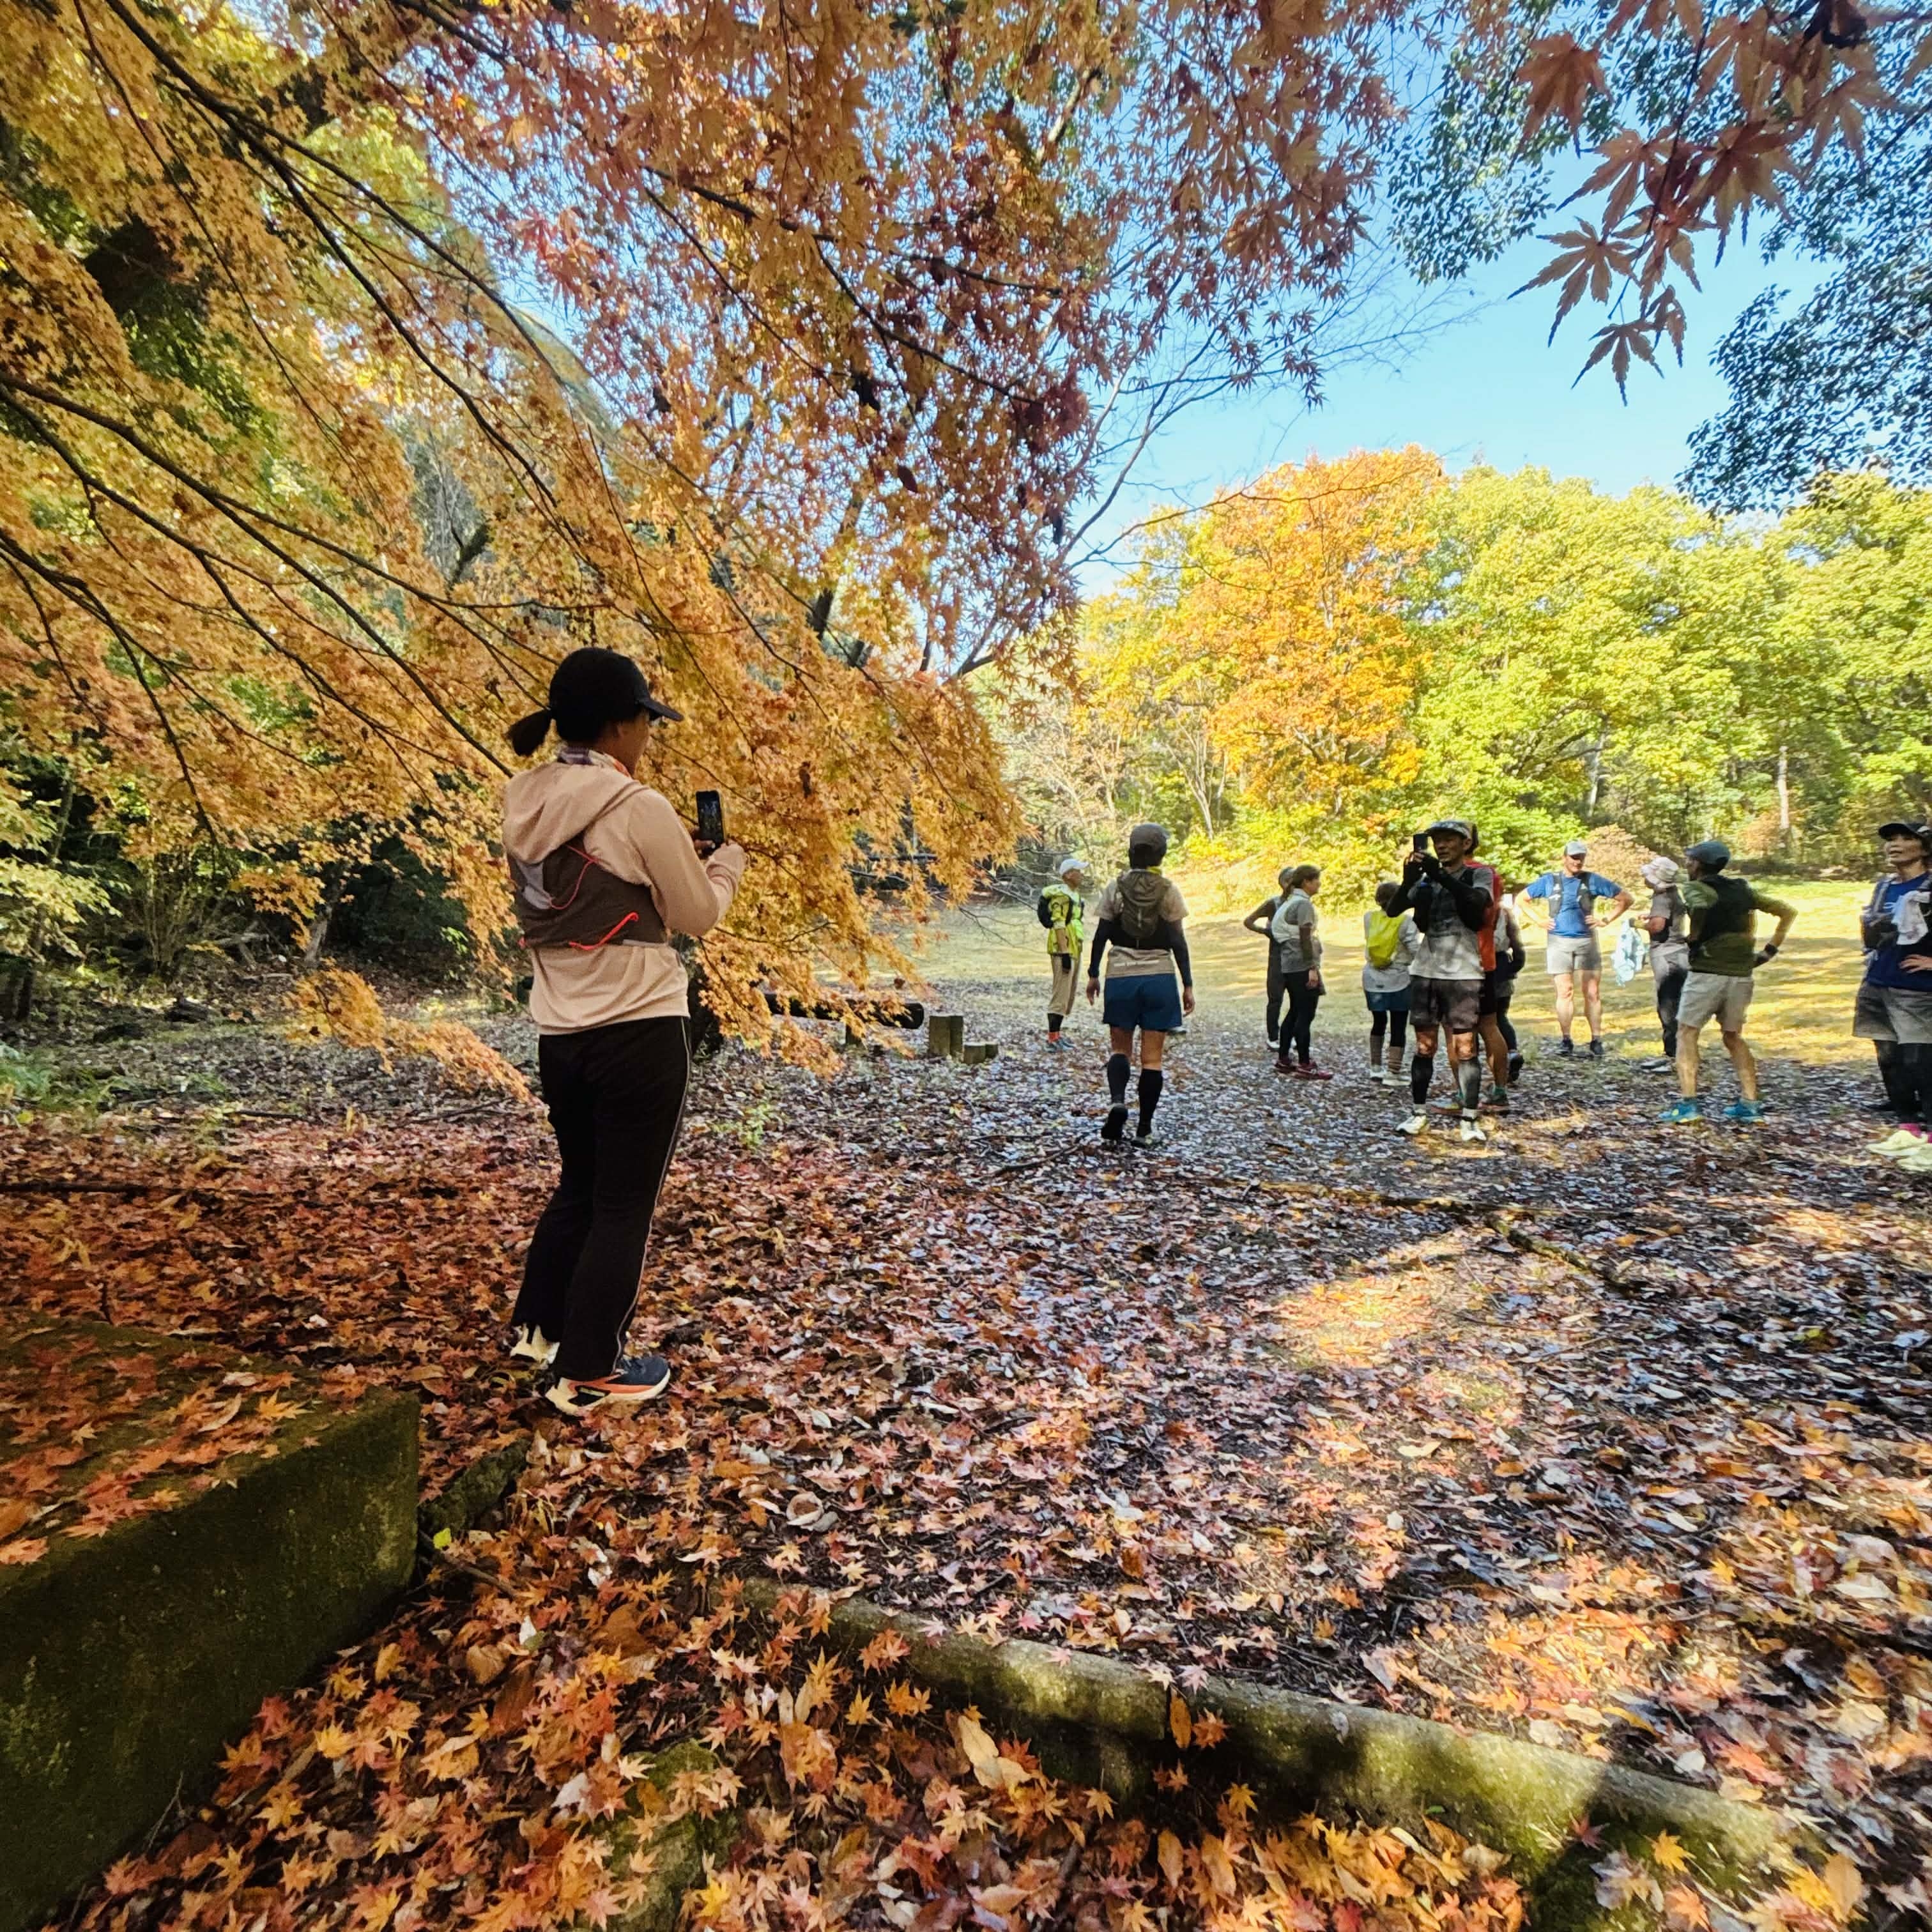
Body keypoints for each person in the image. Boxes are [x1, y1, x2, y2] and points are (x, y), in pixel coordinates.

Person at [502, 647, 746, 1418]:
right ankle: (590, 1370)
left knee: (580, 1183)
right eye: (646, 721)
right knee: (623, 1206)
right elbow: (696, 915)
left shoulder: (523, 800)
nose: (649, 735)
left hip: (560, 1033)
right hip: (639, 1029)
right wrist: (726, 866)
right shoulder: (638, 806)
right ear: (619, 724)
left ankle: (538, 1331)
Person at [1659, 839, 1796, 1125]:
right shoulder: (1742, 890)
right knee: (1733, 1037)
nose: (1687, 864)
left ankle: (1688, 1105)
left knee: (1686, 1033)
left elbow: (1699, 911)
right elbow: (1787, 911)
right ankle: (1750, 1103)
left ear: (1698, 864)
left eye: (1690, 860)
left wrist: (1694, 937)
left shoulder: (1696, 888)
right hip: (1741, 975)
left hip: (1707, 973)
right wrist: (1770, 950)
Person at [1086, 823, 1194, 1144]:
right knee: (1152, 1059)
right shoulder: (1169, 890)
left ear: (1131, 852)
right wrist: (1187, 984)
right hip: (1159, 977)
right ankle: (1145, 1129)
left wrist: (1093, 974)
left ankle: (1118, 1102)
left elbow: (1101, 935)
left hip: (1121, 976)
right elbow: (1178, 941)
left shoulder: (1115, 888)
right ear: (1161, 854)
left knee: (1120, 1049)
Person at [1392, 818, 1497, 1144]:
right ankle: (1418, 1114)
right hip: (1426, 970)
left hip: (1463, 972)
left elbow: (1478, 903)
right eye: (1437, 839)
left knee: (1466, 1047)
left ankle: (1470, 1118)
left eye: (1450, 839)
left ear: (1466, 844)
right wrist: (1409, 879)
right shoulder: (1428, 880)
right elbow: (1394, 909)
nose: (1441, 845)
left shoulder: (1479, 874)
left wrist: (1439, 875)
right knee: (1425, 1047)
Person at [1855, 822, 1932, 1164]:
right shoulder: (1884, 887)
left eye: (1906, 838)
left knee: (1921, 1062)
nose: (1895, 845)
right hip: (1878, 982)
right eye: (1890, 839)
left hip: (1917, 990)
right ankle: (1908, 1129)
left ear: (1925, 848)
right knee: (1890, 1059)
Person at [1521, 840, 1630, 1059]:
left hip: (1587, 941)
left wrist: (1605, 920)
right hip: (1558, 942)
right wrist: (1539, 920)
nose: (1577, 861)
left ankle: (1596, 1039)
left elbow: (1626, 899)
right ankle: (1566, 1039)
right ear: (1565, 858)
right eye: (1573, 857)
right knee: (1565, 991)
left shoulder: (1592, 880)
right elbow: (1522, 899)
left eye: (1581, 857)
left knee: (1592, 992)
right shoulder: (1549, 881)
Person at [1271, 864, 1330, 1079]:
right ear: (1306, 882)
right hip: (1301, 965)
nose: (1319, 884)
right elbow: (1305, 937)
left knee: (1295, 1010)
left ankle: (1284, 1058)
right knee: (1306, 1013)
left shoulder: (1288, 902)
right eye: (1316, 880)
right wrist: (1312, 967)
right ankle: (1305, 1063)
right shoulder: (1303, 905)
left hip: (1289, 964)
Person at [1361, 880, 1418, 1084]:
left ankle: (1375, 1067)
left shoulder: (1369, 918)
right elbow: (1414, 949)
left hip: (1372, 978)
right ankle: (1394, 1071)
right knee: (1398, 1024)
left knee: (1378, 1022)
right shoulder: (1406, 921)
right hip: (1398, 978)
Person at [1478, 888, 1527, 1107]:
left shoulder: (1475, 911)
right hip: (1501, 965)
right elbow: (1517, 943)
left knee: (1482, 1021)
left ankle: (1480, 1067)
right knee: (1500, 1017)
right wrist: (1515, 966)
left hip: (1482, 964)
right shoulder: (1505, 914)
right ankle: (1512, 1052)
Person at [1641, 856, 1690, 1066]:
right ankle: (1681, 1051)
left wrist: (1638, 924)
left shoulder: (1661, 897)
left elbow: (1658, 927)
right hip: (1679, 952)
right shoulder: (1673, 893)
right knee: (1677, 1002)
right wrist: (1651, 916)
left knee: (1668, 1004)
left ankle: (1673, 1054)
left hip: (1666, 954)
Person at [1243, 867, 1296, 1051]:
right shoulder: (1273, 903)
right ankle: (1273, 1036)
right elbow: (1249, 921)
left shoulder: (1300, 904)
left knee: (1297, 1000)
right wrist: (1266, 932)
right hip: (1276, 958)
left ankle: (1290, 1034)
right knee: (1275, 999)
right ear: (1283, 883)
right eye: (1289, 880)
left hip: (1296, 958)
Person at [1038, 857, 1087, 1047]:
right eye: (1078, 871)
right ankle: (1052, 1038)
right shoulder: (1061, 896)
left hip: (1074, 946)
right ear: (1068, 875)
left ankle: (1057, 1035)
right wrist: (1064, 953)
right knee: (1061, 992)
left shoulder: (1075, 896)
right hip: (1063, 948)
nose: (1081, 875)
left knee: (1068, 994)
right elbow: (1058, 924)